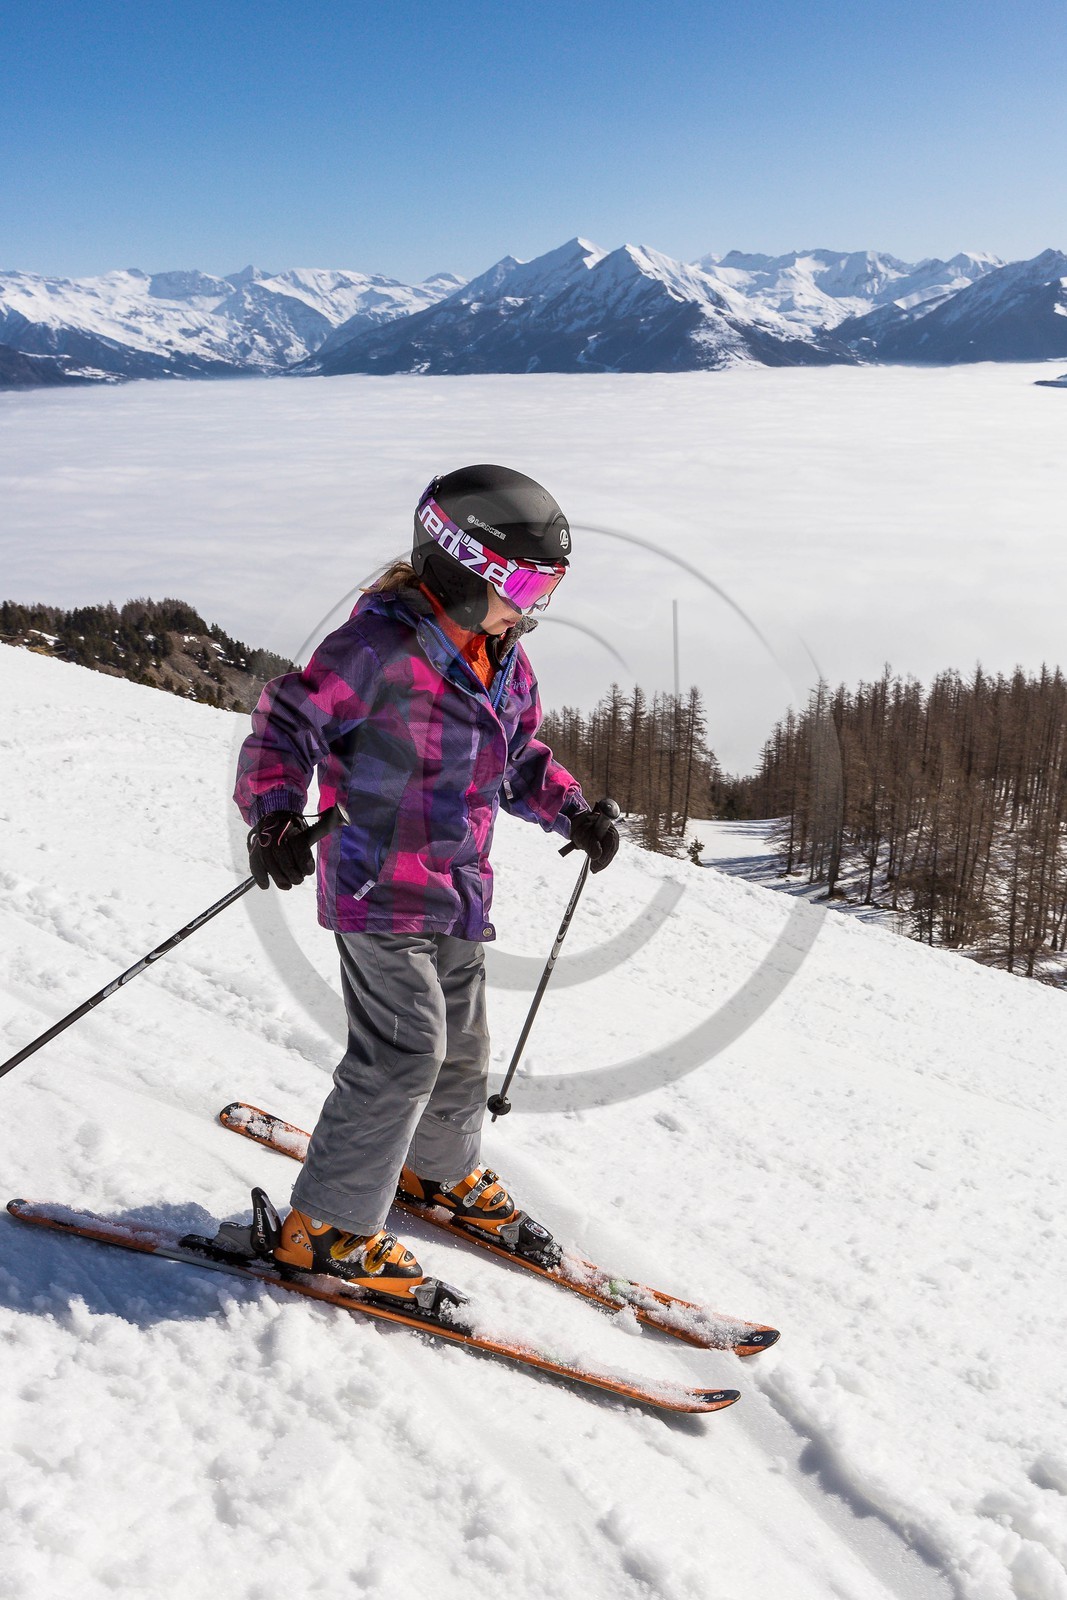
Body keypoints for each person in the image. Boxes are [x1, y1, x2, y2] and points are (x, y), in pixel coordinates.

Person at [234, 464, 619, 1312]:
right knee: (404, 1052)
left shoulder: (506, 665)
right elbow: (284, 723)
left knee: (463, 1053)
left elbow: (516, 759)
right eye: (521, 583)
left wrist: (571, 814)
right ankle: (325, 1230)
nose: (532, 605)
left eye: (545, 587)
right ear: (456, 560)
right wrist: (272, 818)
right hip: (375, 886)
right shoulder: (374, 650)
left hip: (456, 889)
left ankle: (433, 1173)